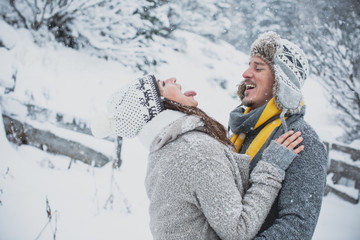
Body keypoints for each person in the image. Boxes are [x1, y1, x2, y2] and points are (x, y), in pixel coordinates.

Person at [91, 74, 304, 240]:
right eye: (164, 84)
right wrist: (272, 167)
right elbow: (239, 230)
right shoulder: (195, 152)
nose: (173, 79)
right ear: (160, 106)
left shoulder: (165, 151)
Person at [228, 31, 328, 239]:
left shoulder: (302, 139)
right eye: (249, 65)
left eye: (258, 67)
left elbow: (296, 227)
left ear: (281, 81)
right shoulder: (244, 130)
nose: (246, 73)